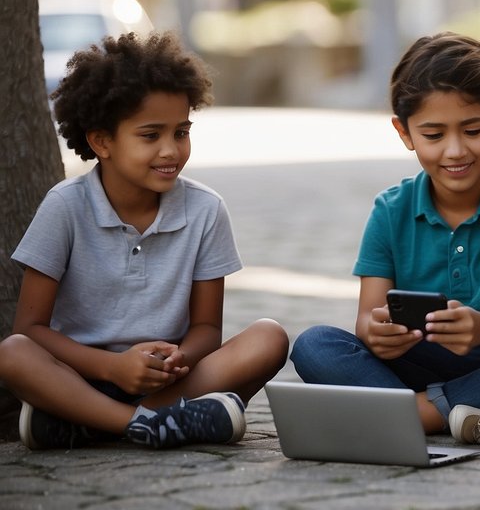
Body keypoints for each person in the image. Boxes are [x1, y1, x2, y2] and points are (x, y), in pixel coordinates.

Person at [0, 32, 288, 451]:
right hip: (81, 377)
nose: (171, 150)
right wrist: (114, 367)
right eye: (150, 135)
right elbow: (31, 329)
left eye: (181, 132)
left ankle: (96, 425)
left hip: (169, 380)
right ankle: (151, 424)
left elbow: (207, 328)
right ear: (102, 141)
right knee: (12, 353)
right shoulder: (64, 207)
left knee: (270, 337)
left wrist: (178, 359)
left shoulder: (206, 210)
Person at [289, 33, 480, 445]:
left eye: (473, 129)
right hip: (409, 363)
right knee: (314, 344)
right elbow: (368, 319)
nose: (456, 151)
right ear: (404, 133)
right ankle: (448, 414)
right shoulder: (390, 210)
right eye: (434, 135)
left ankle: (408, 415)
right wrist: (378, 334)